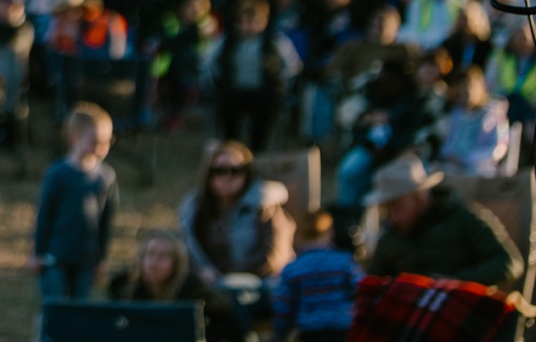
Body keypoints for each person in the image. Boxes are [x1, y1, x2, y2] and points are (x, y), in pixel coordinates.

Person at [366, 154, 525, 291]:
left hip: (458, 312)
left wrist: (456, 281)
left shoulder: (462, 218)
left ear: (419, 199)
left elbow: (509, 263)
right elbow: (373, 282)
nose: (392, 217)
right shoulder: (390, 237)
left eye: (396, 208)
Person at [30, 103, 118, 301]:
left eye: (106, 141)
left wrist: (102, 258)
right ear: (75, 137)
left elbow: (106, 221)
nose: (102, 147)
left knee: (80, 308)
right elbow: (45, 214)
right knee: (55, 306)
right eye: (95, 141)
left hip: (85, 258)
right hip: (56, 255)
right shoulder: (58, 174)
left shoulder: (106, 177)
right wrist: (38, 252)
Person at [178, 141, 294, 284]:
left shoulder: (266, 206)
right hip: (210, 284)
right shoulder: (194, 209)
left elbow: (275, 254)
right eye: (219, 170)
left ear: (248, 173)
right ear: (209, 174)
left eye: (236, 170)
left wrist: (235, 278)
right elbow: (186, 249)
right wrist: (201, 271)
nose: (227, 177)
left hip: (261, 284)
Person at [204, 0, 300, 153]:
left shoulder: (274, 42)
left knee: (262, 122)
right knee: (229, 121)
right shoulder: (227, 41)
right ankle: (232, 152)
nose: (248, 27)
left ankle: (257, 152)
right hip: (233, 92)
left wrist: (281, 80)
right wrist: (216, 79)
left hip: (263, 93)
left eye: (254, 22)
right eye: (244, 22)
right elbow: (209, 63)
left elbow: (293, 65)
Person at [106, 230, 237, 342]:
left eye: (162, 256)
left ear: (176, 263)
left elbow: (225, 317)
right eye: (150, 254)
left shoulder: (195, 291)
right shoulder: (123, 286)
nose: (154, 263)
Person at [273, 211, 362, 342]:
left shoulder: (293, 269)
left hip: (310, 332)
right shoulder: (344, 261)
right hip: (343, 329)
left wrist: (279, 335)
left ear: (300, 235)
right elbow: (361, 290)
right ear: (330, 233)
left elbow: (283, 307)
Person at [436, 65, 512, 176]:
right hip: (451, 168)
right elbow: (446, 142)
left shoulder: (496, 112)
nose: (465, 96)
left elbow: (498, 148)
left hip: (481, 171)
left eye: (468, 90)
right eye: (460, 92)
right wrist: (449, 155)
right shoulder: (453, 113)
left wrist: (466, 159)